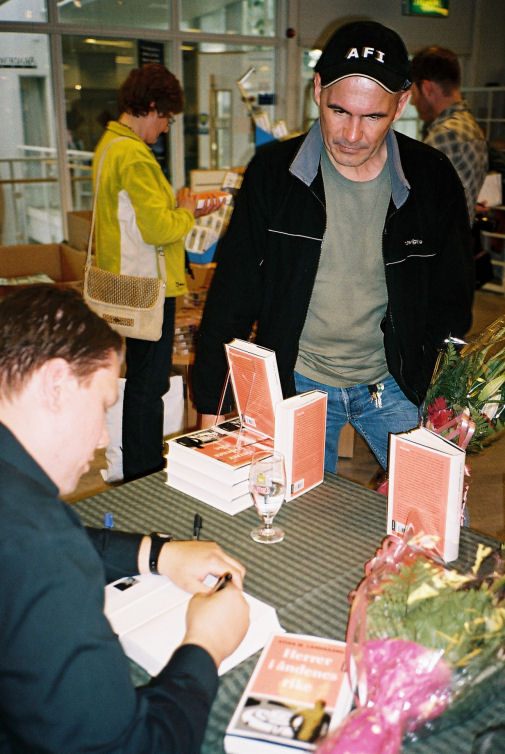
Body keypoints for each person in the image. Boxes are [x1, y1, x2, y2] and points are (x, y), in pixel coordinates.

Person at [192, 20, 474, 475]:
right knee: (292, 522)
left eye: (373, 117)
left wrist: (446, 397)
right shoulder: (272, 174)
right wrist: (212, 401)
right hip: (297, 381)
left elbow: (452, 301)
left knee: (434, 521)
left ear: (401, 103)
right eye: (340, 111)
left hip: (395, 383)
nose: (351, 134)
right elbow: (232, 295)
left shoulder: (432, 178)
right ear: (318, 89)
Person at [0, 285, 250, 753]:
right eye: (100, 408)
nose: (99, 438)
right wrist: (205, 646)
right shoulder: (40, 545)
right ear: (55, 385)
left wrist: (155, 554)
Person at [92, 63, 222, 482]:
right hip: (147, 288)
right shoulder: (134, 155)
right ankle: (144, 473)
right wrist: (184, 212)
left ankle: (135, 468)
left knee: (139, 385)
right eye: (165, 117)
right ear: (150, 107)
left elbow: (135, 217)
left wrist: (181, 207)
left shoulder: (109, 146)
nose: (165, 128)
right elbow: (159, 228)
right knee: (150, 388)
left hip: (120, 281)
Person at [410, 45, 488, 223]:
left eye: (413, 94)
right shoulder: (470, 128)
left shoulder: (445, 134)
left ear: (427, 88)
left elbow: (416, 204)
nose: (413, 103)